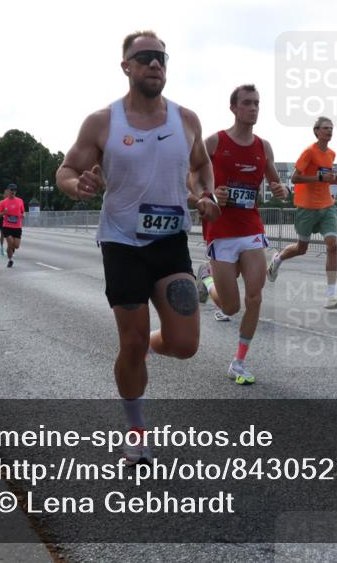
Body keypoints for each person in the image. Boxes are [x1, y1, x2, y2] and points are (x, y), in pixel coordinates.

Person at [57, 30, 220, 464]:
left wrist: (209, 195)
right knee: (129, 345)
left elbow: (203, 166)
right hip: (122, 243)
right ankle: (135, 430)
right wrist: (80, 186)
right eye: (144, 57)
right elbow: (67, 170)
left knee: (185, 344)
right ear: (126, 66)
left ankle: (146, 341)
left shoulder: (186, 120)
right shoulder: (103, 122)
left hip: (169, 242)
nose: (154, 65)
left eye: (161, 58)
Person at [195, 84, 288, 385]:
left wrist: (281, 190)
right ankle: (207, 277)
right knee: (230, 306)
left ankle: (239, 361)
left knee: (255, 296)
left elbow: (280, 185)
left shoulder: (264, 147)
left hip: (250, 229)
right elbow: (191, 176)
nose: (253, 108)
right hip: (220, 231)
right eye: (247, 103)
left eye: (257, 103)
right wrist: (208, 194)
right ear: (233, 108)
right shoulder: (214, 141)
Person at [267, 116, 337, 309]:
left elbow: (324, 180)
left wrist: (334, 181)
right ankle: (277, 260)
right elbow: (294, 178)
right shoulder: (308, 152)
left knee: (333, 246)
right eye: (326, 128)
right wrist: (320, 177)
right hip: (307, 207)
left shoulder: (331, 154)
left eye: (332, 128)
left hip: (327, 205)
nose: (330, 131)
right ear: (317, 131)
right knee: (301, 248)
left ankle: (331, 296)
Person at [0, 184, 25, 267]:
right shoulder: (3, 202)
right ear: (8, 191)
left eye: (14, 190)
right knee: (10, 242)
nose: (13, 192)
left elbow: (23, 212)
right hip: (7, 226)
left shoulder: (20, 201)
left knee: (16, 246)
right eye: (11, 190)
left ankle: (9, 249)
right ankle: (10, 260)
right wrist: (3, 213)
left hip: (17, 227)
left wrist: (23, 215)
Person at [0, 188, 10, 255]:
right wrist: (4, 212)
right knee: (2, 235)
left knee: (9, 236)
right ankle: (2, 247)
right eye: (6, 193)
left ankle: (9, 248)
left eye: (8, 193)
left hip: (10, 221)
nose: (7, 195)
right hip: (3, 220)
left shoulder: (12, 201)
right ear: (4, 195)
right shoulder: (1, 202)